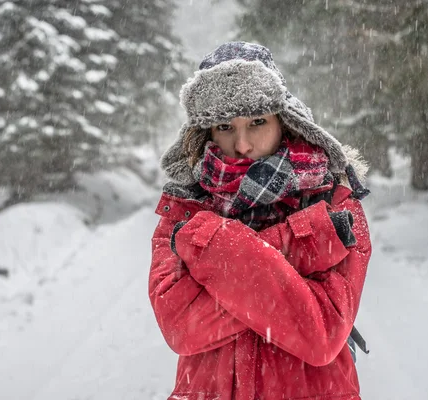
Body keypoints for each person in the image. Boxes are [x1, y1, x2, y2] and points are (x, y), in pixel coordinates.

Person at [149, 41, 372, 400]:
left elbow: (322, 334)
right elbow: (181, 327)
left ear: (284, 121)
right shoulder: (183, 207)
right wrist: (299, 250)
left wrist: (212, 240)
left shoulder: (336, 200)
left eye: (256, 122)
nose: (242, 144)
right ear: (205, 132)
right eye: (224, 126)